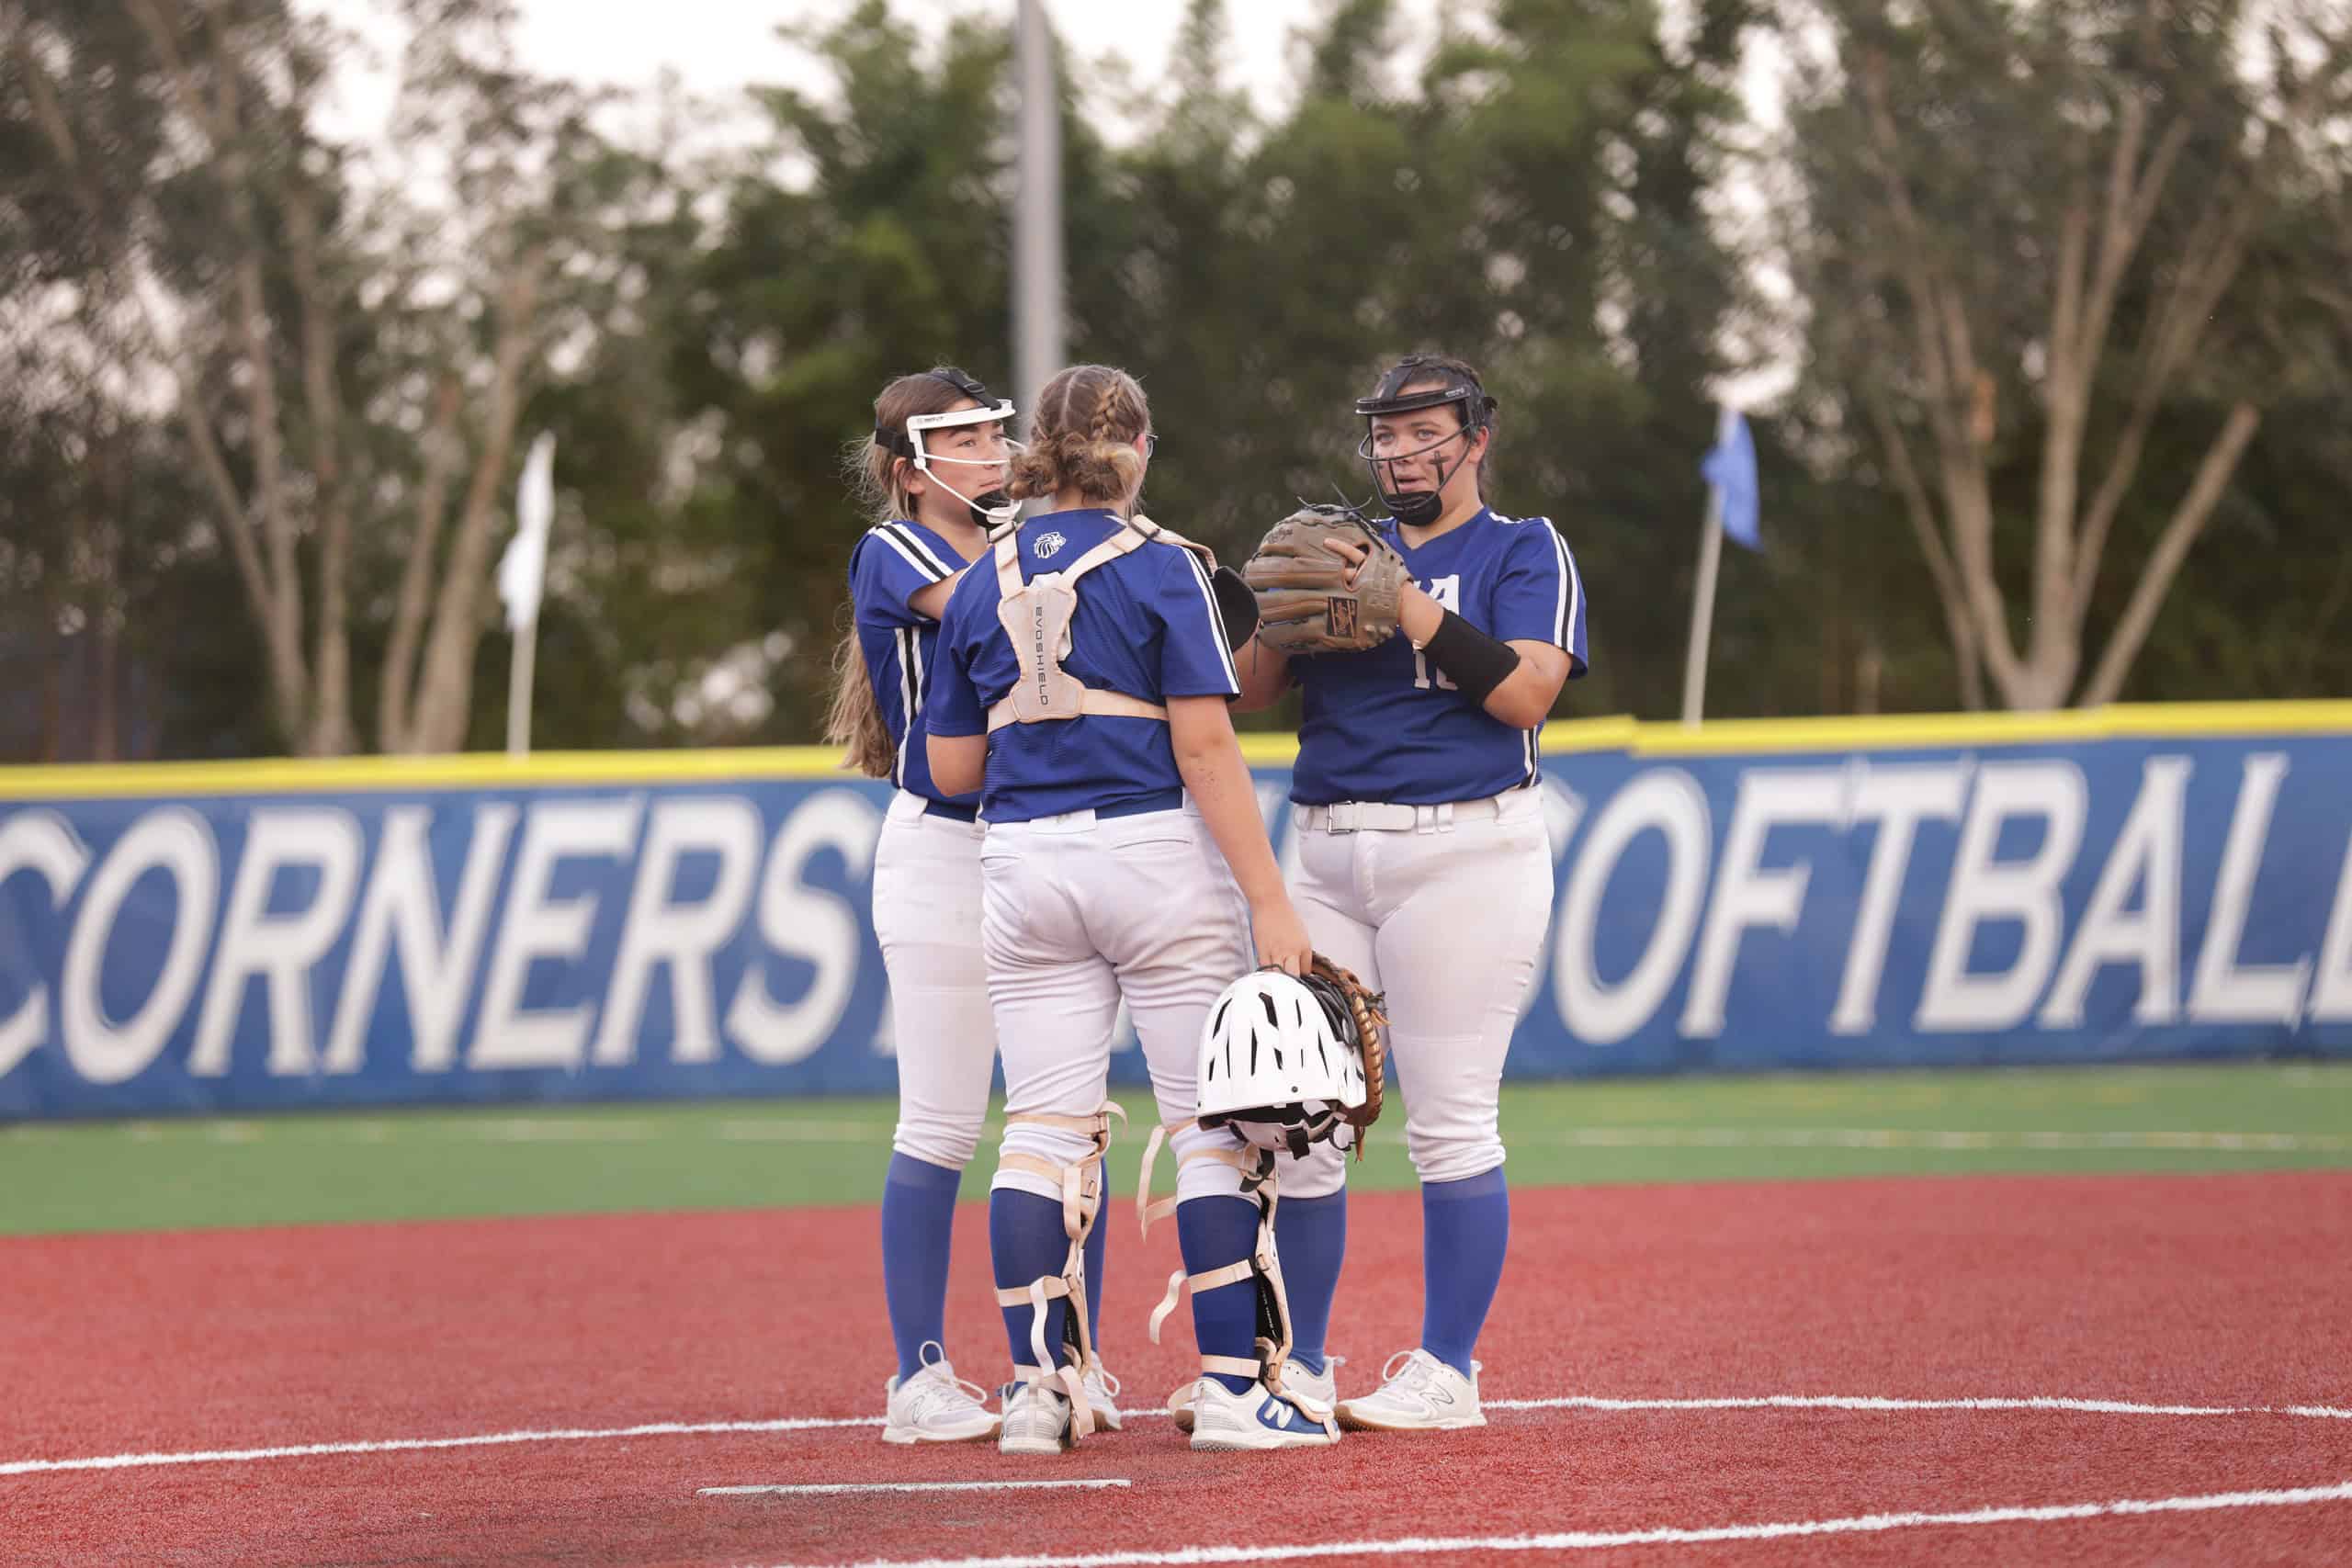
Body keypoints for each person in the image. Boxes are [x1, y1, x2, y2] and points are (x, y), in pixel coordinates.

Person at [924, 363, 1338, 1454]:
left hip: (1020, 865)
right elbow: (1205, 745)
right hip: (1148, 854)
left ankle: (1038, 1391)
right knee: (1215, 1127)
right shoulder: (1164, 567)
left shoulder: (978, 577)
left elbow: (954, 767)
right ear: (1139, 450)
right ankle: (1231, 1392)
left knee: (1042, 1134)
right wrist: (1271, 902)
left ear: (1035, 456)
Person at [1230, 352, 1588, 1431]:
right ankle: (1303, 1366)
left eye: (1423, 431)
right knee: (1299, 1120)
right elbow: (1244, 695)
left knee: (1449, 1121)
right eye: (1385, 433)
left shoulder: (1524, 549)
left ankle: (1448, 1369)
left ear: (1477, 438)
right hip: (1326, 851)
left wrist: (1411, 608)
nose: (1399, 451)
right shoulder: (1339, 545)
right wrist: (1266, 609)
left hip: (1463, 852)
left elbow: (1527, 692)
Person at [824, 367, 1119, 1444]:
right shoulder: (896, 547)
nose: (992, 453)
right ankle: (917, 1376)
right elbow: (1004, 617)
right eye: (965, 439)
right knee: (943, 1124)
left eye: (999, 434)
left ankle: (1071, 1361)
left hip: (1042, 842)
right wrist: (1116, 544)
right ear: (907, 470)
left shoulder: (1027, 544)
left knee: (1070, 1124)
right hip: (947, 853)